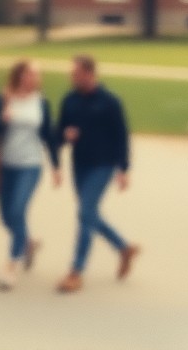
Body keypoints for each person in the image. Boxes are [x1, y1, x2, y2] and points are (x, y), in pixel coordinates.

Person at [55, 54, 140, 294]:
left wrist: (123, 169)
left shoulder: (110, 102)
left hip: (103, 165)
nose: (71, 77)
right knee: (89, 214)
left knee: (84, 213)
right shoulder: (69, 100)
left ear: (89, 74)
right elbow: (59, 132)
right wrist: (64, 136)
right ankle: (124, 248)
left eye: (75, 74)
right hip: (79, 164)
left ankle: (76, 272)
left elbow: (121, 136)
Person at [0, 60, 60, 291]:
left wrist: (56, 166)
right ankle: (27, 243)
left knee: (17, 211)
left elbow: (48, 135)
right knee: (6, 217)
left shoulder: (41, 103)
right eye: (31, 74)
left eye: (37, 75)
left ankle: (10, 268)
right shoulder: (2, 98)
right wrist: (1, 120)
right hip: (5, 165)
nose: (36, 78)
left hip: (31, 165)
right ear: (20, 76)